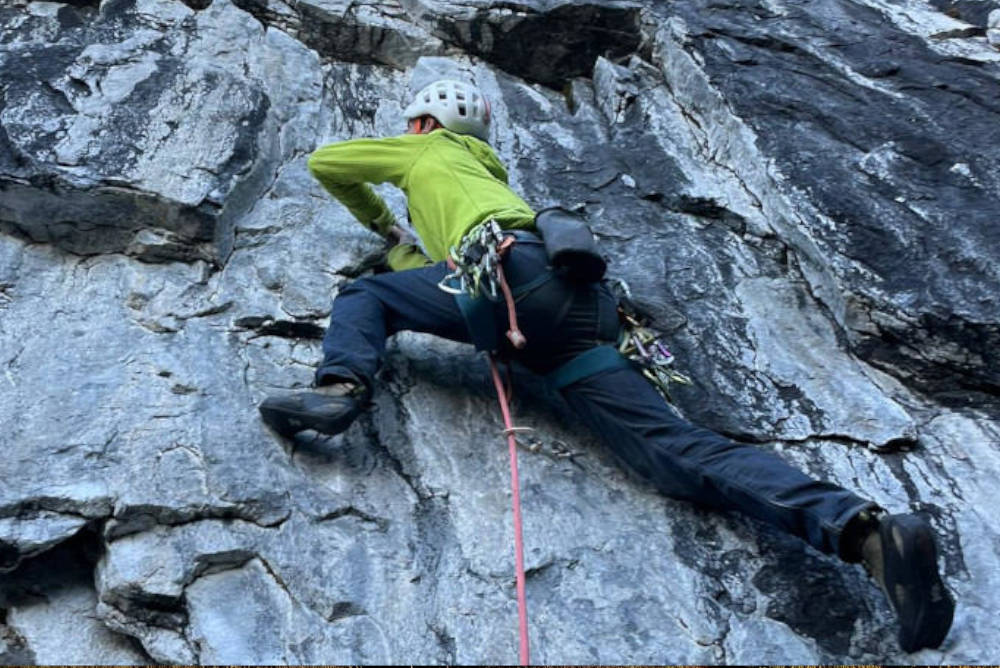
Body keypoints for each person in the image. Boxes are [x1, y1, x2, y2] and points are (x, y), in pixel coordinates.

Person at [258, 79, 955, 653]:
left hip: (508, 280)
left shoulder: (426, 151)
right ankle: (866, 534)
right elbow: (431, 273)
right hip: (584, 312)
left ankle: (340, 390)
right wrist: (414, 249)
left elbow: (330, 165)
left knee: (365, 292)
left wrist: (383, 228)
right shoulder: (487, 178)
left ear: (421, 123)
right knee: (669, 451)